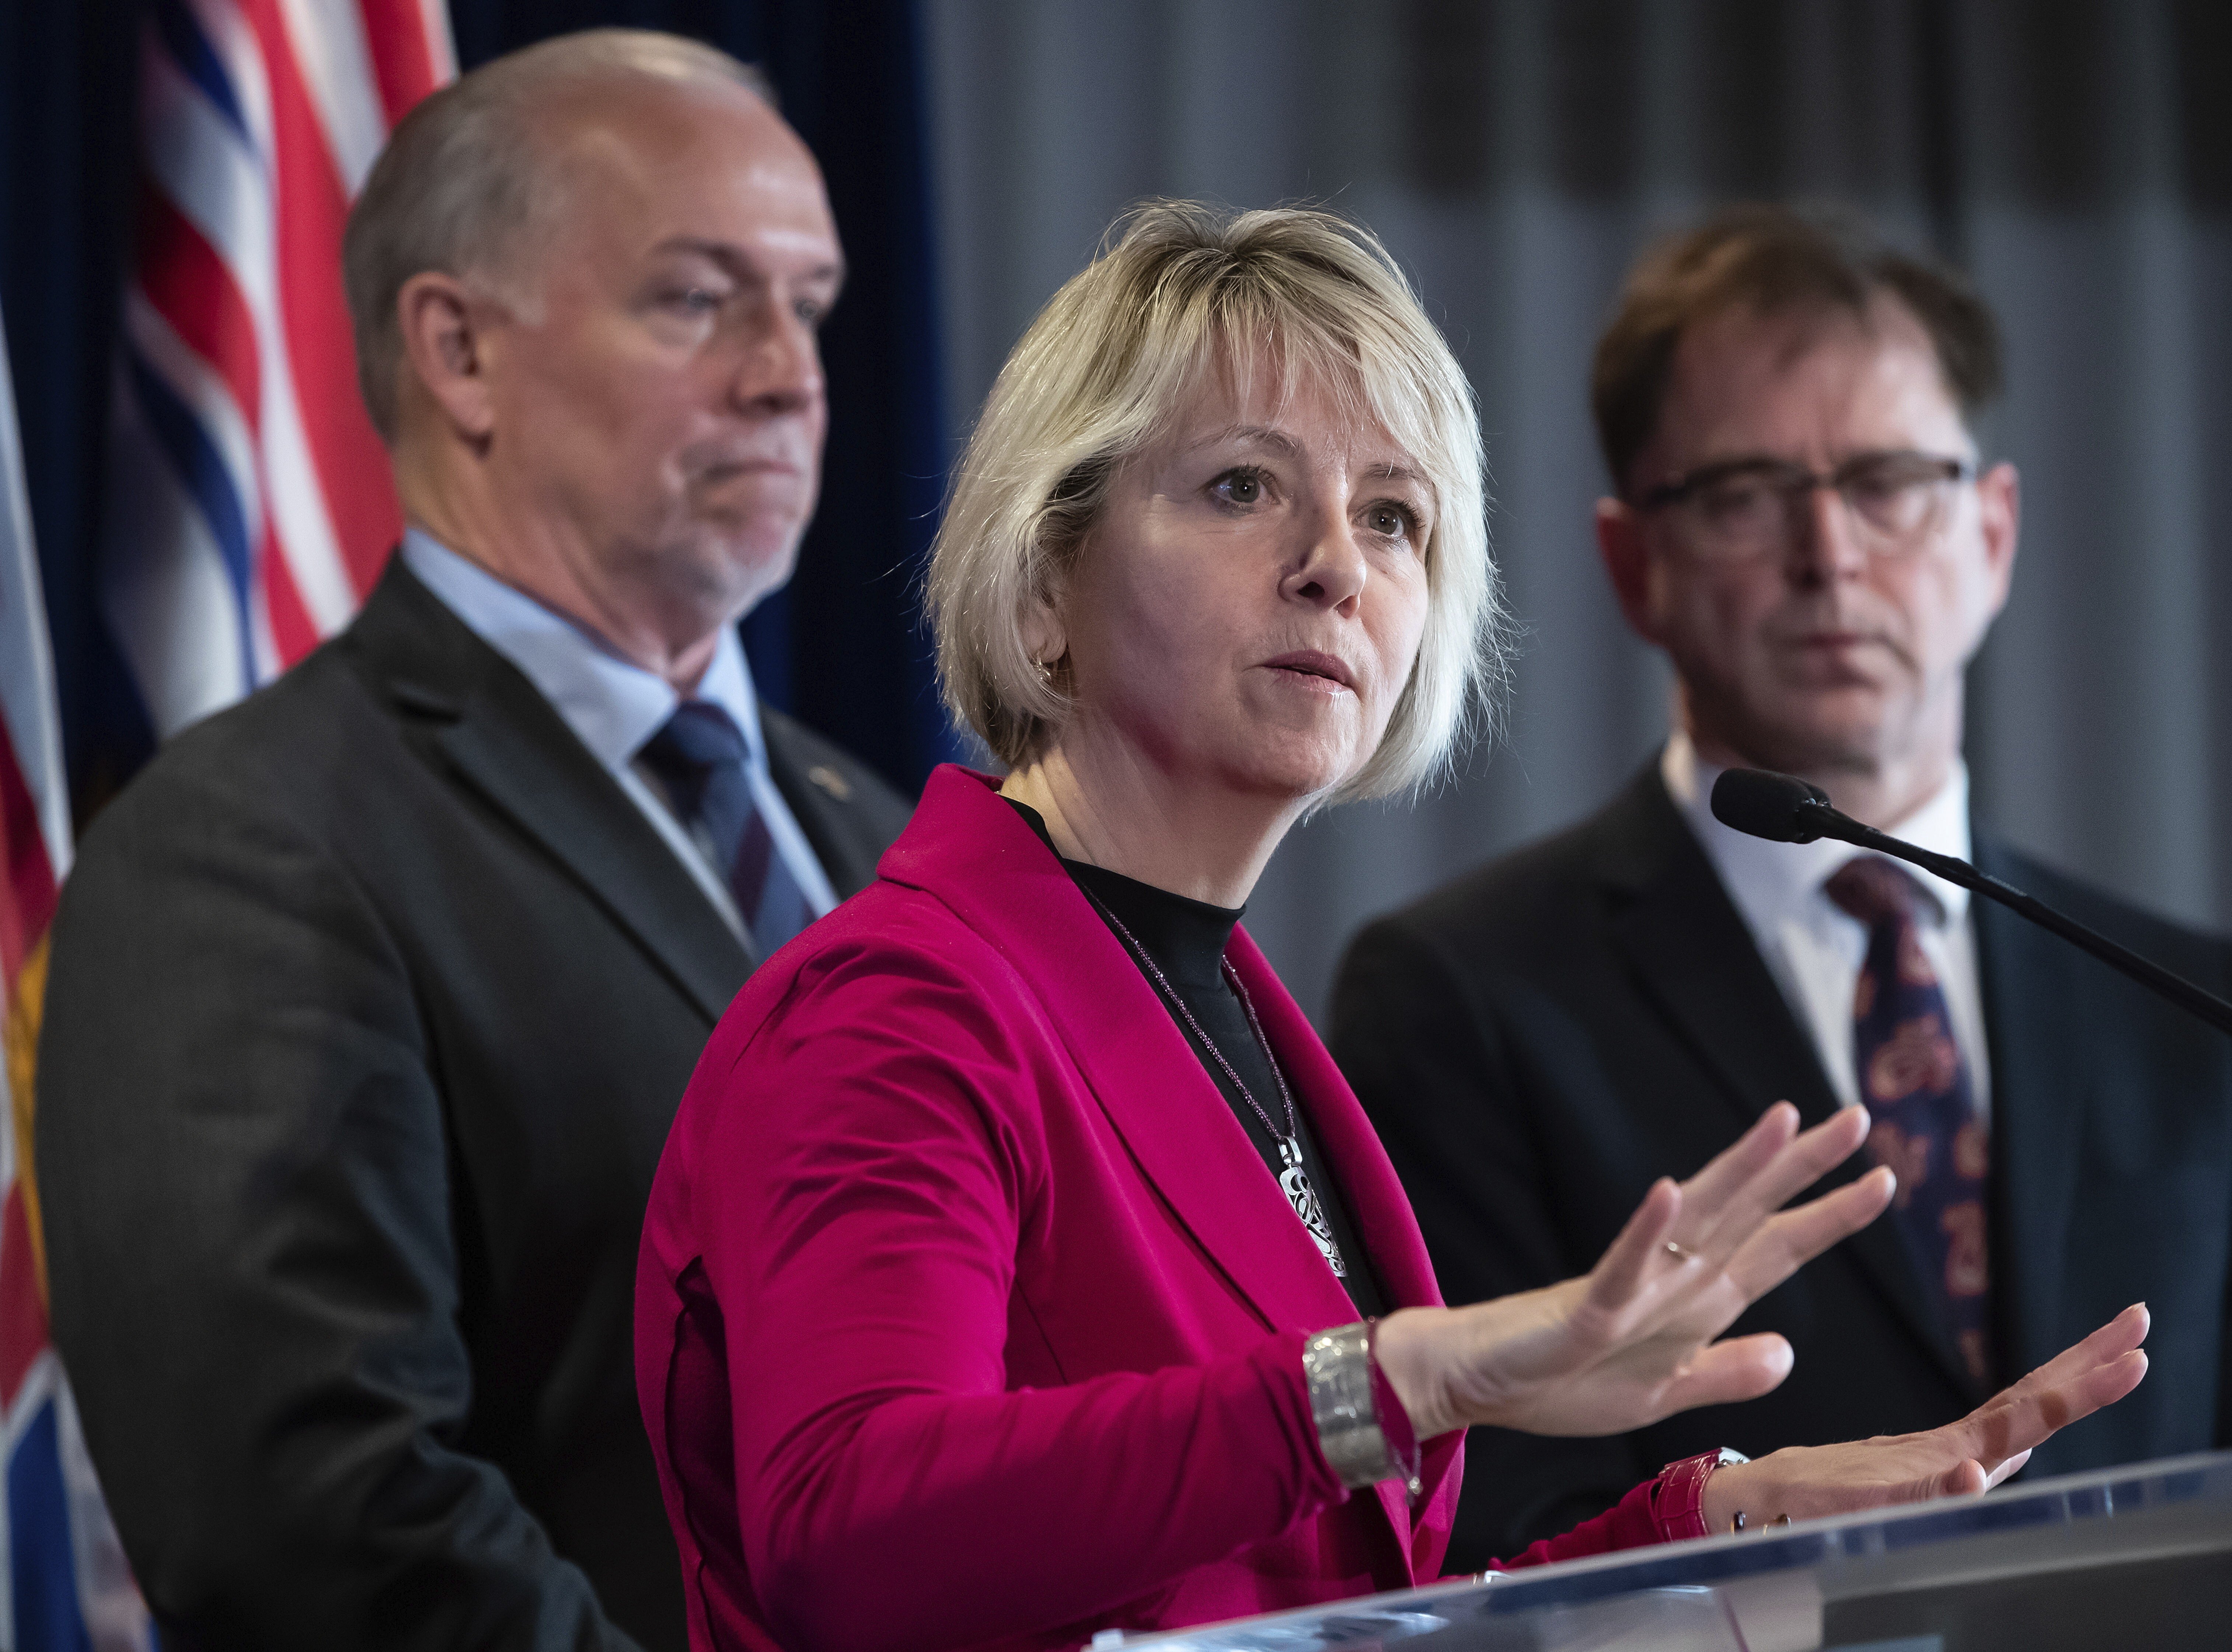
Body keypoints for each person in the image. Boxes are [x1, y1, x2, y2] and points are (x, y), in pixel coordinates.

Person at [634, 201, 2151, 1652]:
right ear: (1045, 585)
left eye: (1392, 515)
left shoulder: (1223, 1015)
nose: (1333, 564)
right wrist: (1399, 1374)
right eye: (1241, 486)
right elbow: (848, 1531)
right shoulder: (895, 1001)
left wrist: (1722, 1514)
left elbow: (1315, 1605)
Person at [36, 31, 911, 1651]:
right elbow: (313, 1518)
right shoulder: (243, 852)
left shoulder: (884, 828)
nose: (788, 371)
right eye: (698, 296)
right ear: (457, 352)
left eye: (810, 303)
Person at [1329, 203, 2232, 1571]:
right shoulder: (1460, 998)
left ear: (1990, 532)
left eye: (1887, 482)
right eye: (1746, 495)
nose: (1830, 556)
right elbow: (1473, 1530)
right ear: (1635, 564)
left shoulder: (2193, 1010)